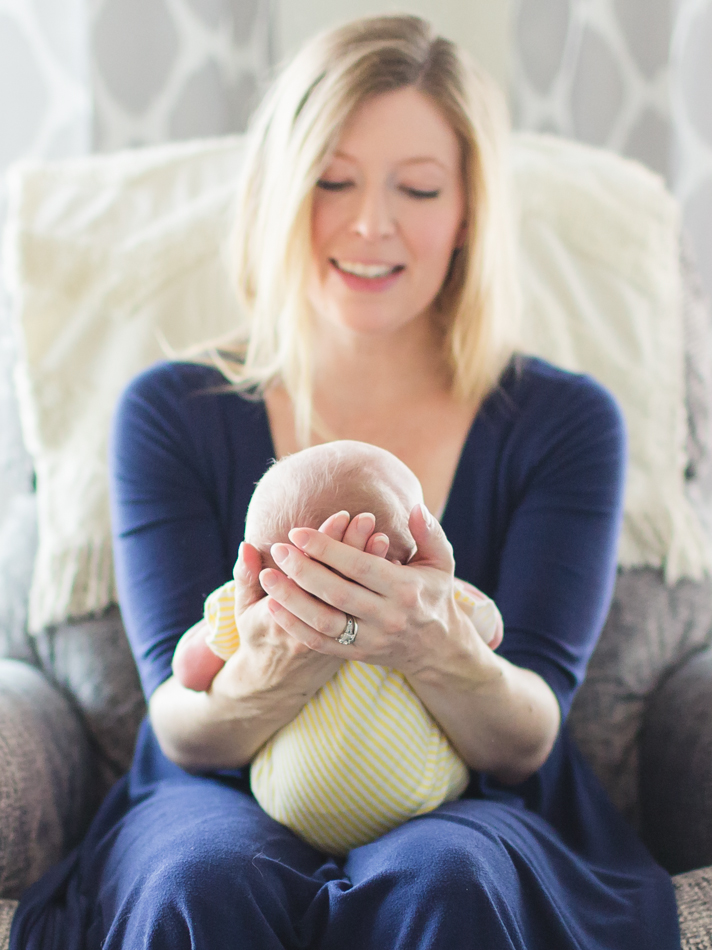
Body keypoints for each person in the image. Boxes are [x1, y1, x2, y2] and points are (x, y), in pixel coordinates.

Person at [10, 13, 681, 950]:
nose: (371, 223)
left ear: (468, 214)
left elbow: (528, 735)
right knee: (199, 878)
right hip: (219, 788)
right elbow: (183, 723)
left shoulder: (564, 423)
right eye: (333, 180)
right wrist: (293, 656)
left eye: (418, 187)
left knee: (447, 879)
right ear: (280, 193)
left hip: (474, 798)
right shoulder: (170, 410)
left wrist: (430, 643)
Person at [171, 440, 503, 855]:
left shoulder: (246, 607)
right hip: (423, 803)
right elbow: (490, 634)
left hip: (289, 811)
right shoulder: (428, 601)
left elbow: (187, 670)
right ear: (401, 557)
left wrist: (232, 634)